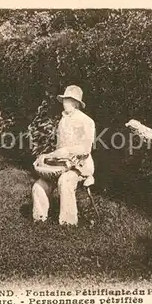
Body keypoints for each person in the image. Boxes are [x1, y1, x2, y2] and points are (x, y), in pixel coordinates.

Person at [32, 85, 95, 226]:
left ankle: (68, 223)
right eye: (65, 100)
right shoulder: (63, 121)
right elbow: (59, 148)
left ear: (76, 103)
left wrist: (66, 152)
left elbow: (86, 148)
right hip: (61, 164)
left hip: (81, 165)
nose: (65, 103)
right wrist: (48, 158)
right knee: (38, 186)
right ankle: (39, 219)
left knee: (65, 181)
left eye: (69, 100)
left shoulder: (86, 121)